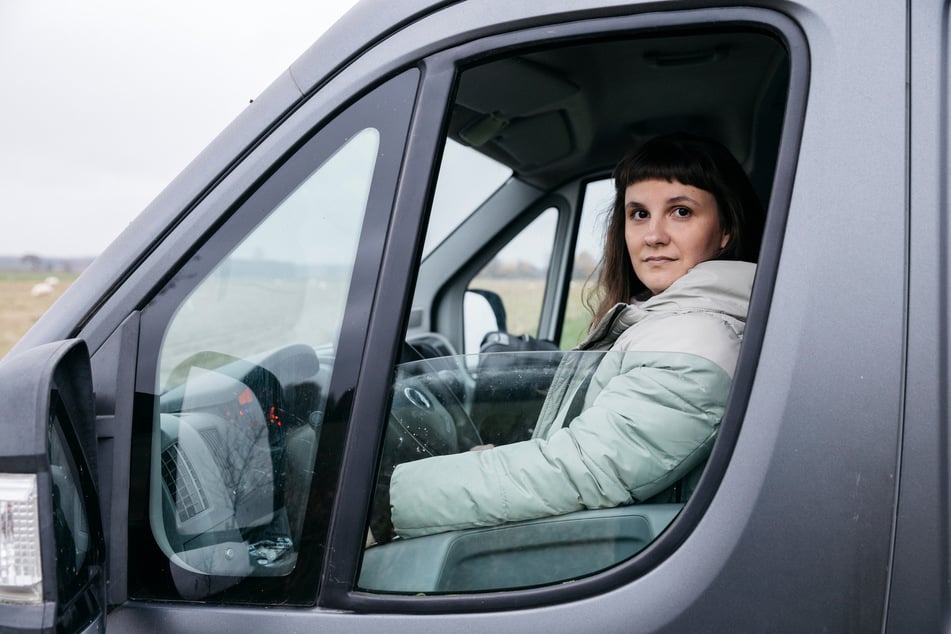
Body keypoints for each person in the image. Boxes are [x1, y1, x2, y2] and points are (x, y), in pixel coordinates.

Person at [385, 132, 765, 539]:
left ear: (724, 230)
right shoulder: (662, 321)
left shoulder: (696, 339)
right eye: (638, 214)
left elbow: (583, 470)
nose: (653, 235)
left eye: (681, 212)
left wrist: (386, 504)